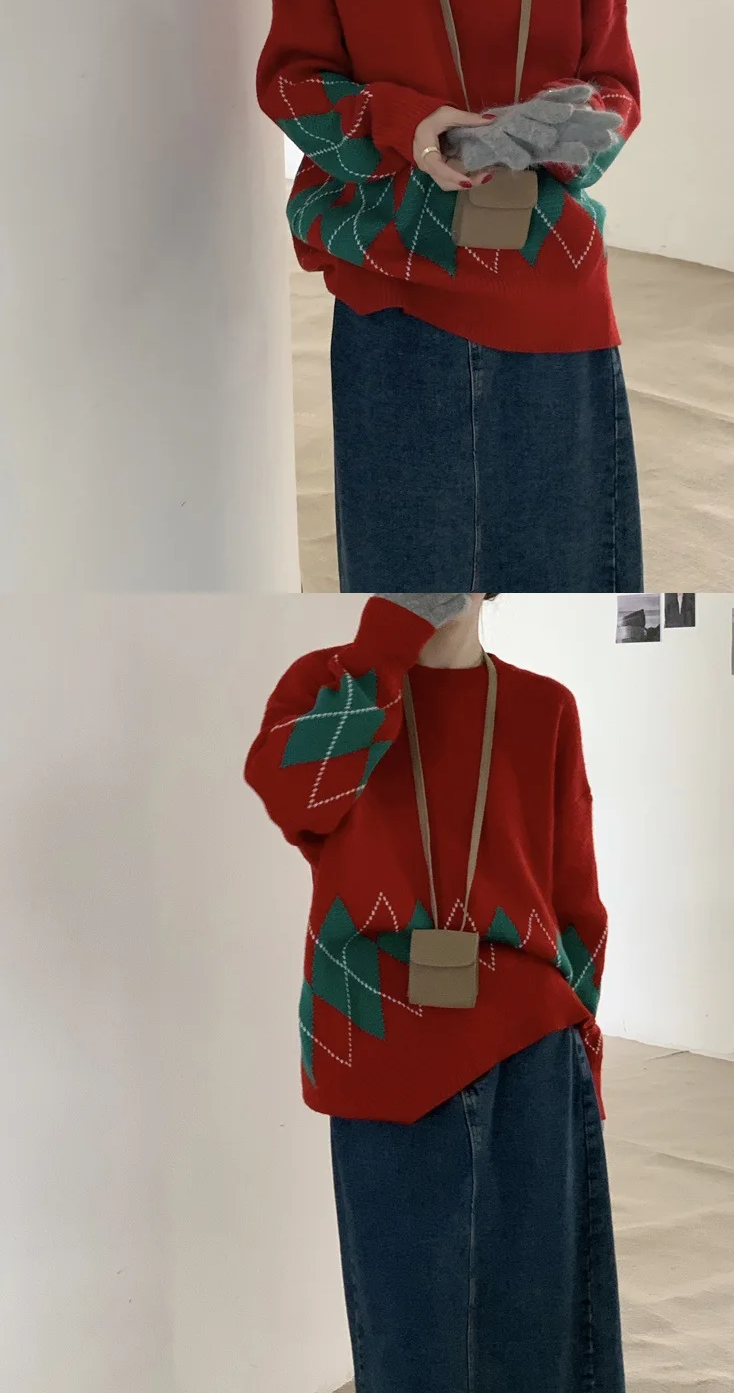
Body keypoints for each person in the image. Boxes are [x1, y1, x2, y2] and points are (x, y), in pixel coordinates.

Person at [257, 0, 643, 587]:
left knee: (563, 582)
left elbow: (614, 88)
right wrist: (407, 122)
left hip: (549, 284)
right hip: (393, 289)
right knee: (408, 587)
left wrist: (541, 131)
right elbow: (291, 79)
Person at [246, 589, 626, 1393]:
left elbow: (576, 897)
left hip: (532, 1043)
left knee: (544, 1330)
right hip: (379, 1043)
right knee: (408, 1334)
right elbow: (295, 798)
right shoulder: (332, 684)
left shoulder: (544, 706)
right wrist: (389, 641)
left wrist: (582, 1053)